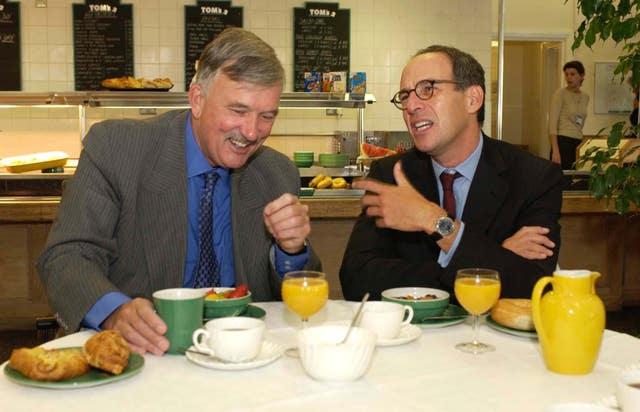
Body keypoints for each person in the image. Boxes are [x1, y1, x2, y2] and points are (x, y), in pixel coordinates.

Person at [37, 28, 321, 355]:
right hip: (145, 354)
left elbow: (299, 295)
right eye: (238, 111)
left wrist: (291, 248)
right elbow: (67, 255)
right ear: (197, 99)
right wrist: (114, 311)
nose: (252, 132)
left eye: (267, 116)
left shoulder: (276, 173)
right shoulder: (116, 149)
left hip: (242, 357)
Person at [339, 45, 563, 301]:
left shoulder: (533, 177)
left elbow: (534, 285)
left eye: (427, 89)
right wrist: (486, 266)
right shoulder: (391, 174)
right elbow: (356, 279)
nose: (411, 106)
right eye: (404, 96)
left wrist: (436, 222)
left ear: (472, 99)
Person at [549, 60, 590, 169]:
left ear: (581, 76)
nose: (568, 78)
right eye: (566, 75)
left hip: (577, 142)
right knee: (562, 179)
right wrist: (555, 151)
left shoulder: (585, 97)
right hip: (562, 142)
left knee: (575, 179)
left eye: (572, 74)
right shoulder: (559, 94)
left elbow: (580, 121)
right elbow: (552, 125)